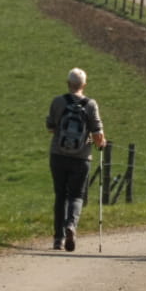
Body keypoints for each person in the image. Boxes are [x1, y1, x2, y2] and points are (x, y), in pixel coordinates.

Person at [45, 67, 106, 252]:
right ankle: (71, 225)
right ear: (84, 85)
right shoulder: (90, 105)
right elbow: (97, 133)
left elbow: (50, 127)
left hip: (58, 154)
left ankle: (58, 239)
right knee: (77, 195)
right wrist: (101, 144)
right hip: (81, 158)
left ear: (68, 84)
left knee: (60, 196)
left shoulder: (58, 102)